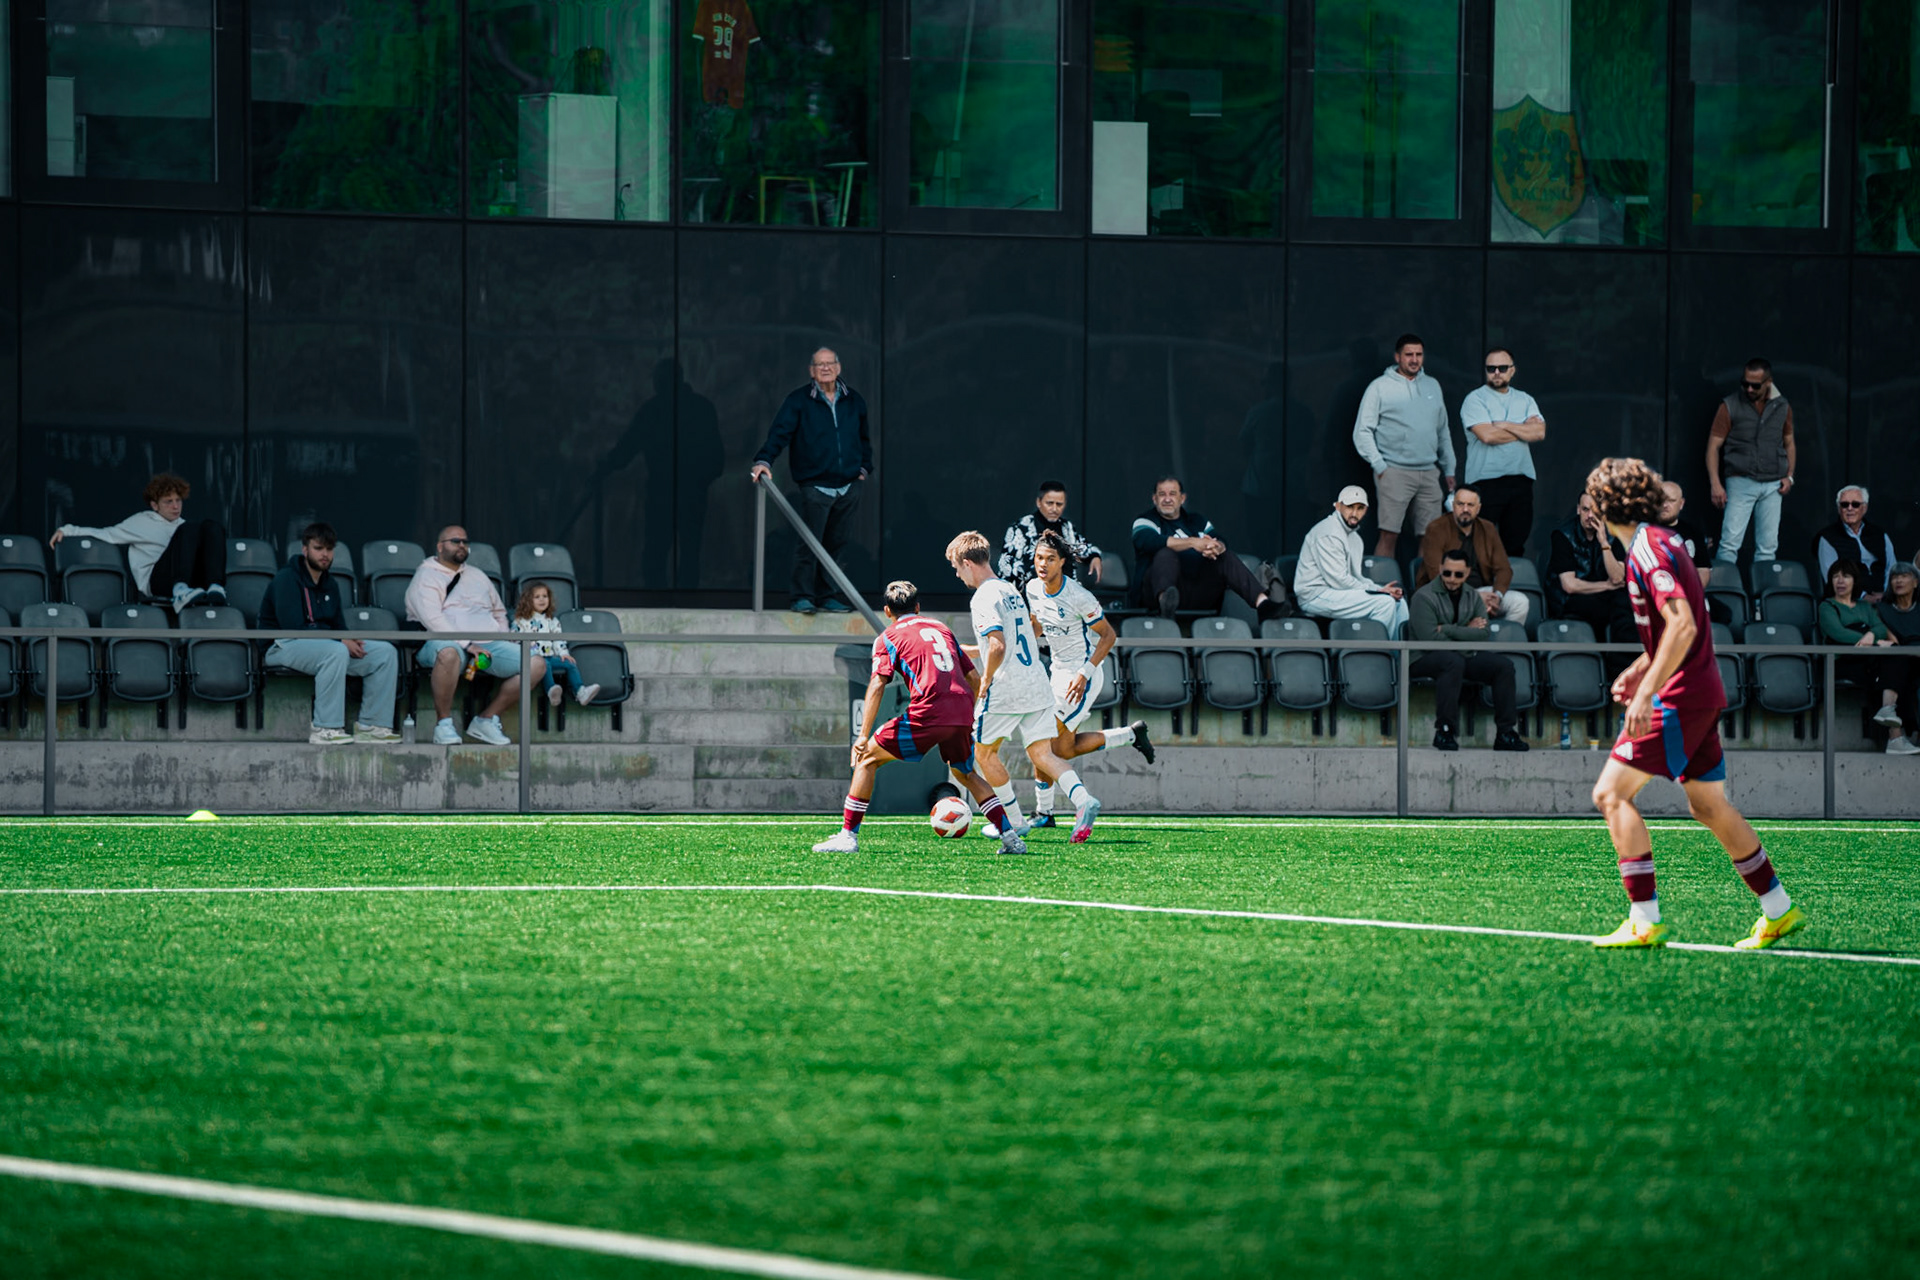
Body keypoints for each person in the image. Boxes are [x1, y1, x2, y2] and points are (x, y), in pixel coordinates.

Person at [1585, 456, 1806, 950]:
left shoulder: (1649, 550)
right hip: (1700, 689)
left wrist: (1646, 692)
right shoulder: (1660, 544)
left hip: (1680, 696)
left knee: (1611, 794)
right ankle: (1779, 910)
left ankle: (1644, 919)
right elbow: (1683, 626)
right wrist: (1641, 668)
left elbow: (1683, 625)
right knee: (1708, 804)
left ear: (1602, 507)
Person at [810, 580, 1027, 856]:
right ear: (918, 607)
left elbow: (878, 684)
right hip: (961, 710)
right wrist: (969, 715)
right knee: (966, 773)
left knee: (867, 759)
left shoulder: (887, 637)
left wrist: (863, 735)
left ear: (887, 611)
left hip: (929, 711)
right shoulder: (941, 628)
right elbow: (973, 677)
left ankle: (848, 836)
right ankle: (1010, 837)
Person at [1026, 532, 1157, 840]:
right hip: (1056, 673)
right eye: (1038, 558)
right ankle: (1130, 734)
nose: (1042, 564)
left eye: (1049, 559)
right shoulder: (1032, 588)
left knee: (1041, 742)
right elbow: (1036, 626)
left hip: (1082, 677)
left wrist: (1084, 673)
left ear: (1062, 563)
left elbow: (1108, 636)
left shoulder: (1078, 596)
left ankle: (1055, 810)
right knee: (1063, 748)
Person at [947, 531, 1068, 834]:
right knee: (1041, 753)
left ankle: (1014, 821)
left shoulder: (982, 597)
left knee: (983, 754)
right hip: (1035, 682)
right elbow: (1018, 639)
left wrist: (985, 678)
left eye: (957, 569)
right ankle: (1080, 800)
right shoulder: (1009, 589)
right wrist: (971, 651)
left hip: (1005, 687)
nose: (958, 576)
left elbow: (999, 646)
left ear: (966, 563)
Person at [749, 347, 872, 615]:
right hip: (815, 485)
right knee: (810, 544)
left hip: (849, 485)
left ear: (839, 367)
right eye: (820, 364)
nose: (825, 368)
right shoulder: (799, 401)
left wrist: (864, 468)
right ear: (811, 371)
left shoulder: (854, 401)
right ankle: (803, 596)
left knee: (836, 544)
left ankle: (828, 596)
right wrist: (764, 461)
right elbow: (779, 434)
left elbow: (864, 438)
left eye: (830, 363)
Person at [258, 522, 400, 745]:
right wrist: (339, 641)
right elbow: (293, 628)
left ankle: (371, 726)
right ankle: (325, 728)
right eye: (318, 548)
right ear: (305, 550)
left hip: (323, 646)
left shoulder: (330, 584)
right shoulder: (286, 579)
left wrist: (349, 640)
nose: (325, 554)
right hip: (281, 645)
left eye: (329, 549)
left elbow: (338, 626)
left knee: (384, 653)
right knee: (335, 651)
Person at [404, 525, 546, 746]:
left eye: (465, 541)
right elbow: (434, 621)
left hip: (488, 643)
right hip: (442, 643)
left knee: (536, 664)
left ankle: (486, 719)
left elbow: (498, 612)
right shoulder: (426, 576)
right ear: (440, 547)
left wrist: (502, 637)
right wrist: (467, 644)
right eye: (455, 541)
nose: (462, 545)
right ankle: (443, 724)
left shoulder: (477, 575)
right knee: (449, 652)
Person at [1407, 549, 1530, 753]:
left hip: (1461, 655)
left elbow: (1483, 633)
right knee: (1452, 661)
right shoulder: (1423, 597)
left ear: (1467, 573)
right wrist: (1466, 630)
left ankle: (1505, 733)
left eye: (1458, 574)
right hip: (1422, 657)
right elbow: (1430, 640)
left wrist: (1446, 628)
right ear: (1440, 570)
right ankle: (1445, 731)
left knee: (1503, 666)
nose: (1452, 579)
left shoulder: (1472, 596)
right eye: (1447, 573)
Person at [49, 472, 227, 613]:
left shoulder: (183, 524)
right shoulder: (142, 522)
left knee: (212, 527)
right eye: (168, 502)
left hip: (191, 582)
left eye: (178, 500)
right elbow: (108, 534)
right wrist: (68, 530)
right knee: (189, 529)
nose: (175, 506)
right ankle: (180, 591)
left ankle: (215, 588)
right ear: (155, 505)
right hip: (158, 583)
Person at [1352, 333, 1456, 558]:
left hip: (1429, 471)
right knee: (1389, 535)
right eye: (1409, 354)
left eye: (1419, 354)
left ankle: (1424, 591)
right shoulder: (1379, 387)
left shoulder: (1432, 386)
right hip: (1394, 470)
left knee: (1430, 536)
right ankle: (1385, 591)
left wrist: (1449, 468)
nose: (1414, 359)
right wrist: (1380, 465)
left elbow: (1443, 431)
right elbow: (1362, 431)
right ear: (1397, 357)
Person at [1129, 476, 1283, 620]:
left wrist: (1216, 548)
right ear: (1154, 499)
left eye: (1173, 494)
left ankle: (1262, 603)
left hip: (1196, 591)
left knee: (1224, 556)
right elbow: (1147, 541)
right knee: (1165, 554)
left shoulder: (1197, 521)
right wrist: (1192, 542)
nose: (1167, 499)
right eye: (1162, 494)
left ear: (1182, 498)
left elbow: (1220, 540)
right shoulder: (1146, 520)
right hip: (1156, 595)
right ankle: (1166, 603)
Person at [1706, 357, 1796, 572]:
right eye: (1745, 383)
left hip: (1773, 482)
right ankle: (1723, 593)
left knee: (1767, 547)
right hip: (1740, 479)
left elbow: (1790, 443)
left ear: (1768, 382)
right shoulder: (1729, 405)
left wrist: (1790, 476)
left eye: (1755, 385)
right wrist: (1715, 484)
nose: (1749, 388)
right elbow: (1712, 447)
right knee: (1729, 543)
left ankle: (1762, 601)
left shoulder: (1782, 406)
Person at [1819, 559, 1915, 755]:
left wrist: (1872, 635)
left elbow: (1879, 627)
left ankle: (1892, 721)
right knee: (1894, 666)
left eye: (1846, 576)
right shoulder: (1827, 606)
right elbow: (1838, 633)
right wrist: (1874, 640)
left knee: (1898, 660)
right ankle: (1896, 736)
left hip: (1868, 659)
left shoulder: (1864, 606)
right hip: (1843, 661)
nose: (1840, 581)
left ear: (1855, 581)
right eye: (1835, 576)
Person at [1458, 348, 1545, 555]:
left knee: (1515, 545)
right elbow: (1487, 436)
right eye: (1491, 368)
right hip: (1485, 482)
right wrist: (1523, 429)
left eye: (1502, 368)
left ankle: (1511, 588)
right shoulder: (1474, 399)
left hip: (1520, 480)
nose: (1496, 372)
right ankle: (1481, 588)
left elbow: (1539, 432)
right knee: (1479, 545)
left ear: (1512, 370)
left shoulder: (1525, 399)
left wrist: (1504, 424)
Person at [1292, 486, 1409, 632]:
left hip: (1338, 592)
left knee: (1399, 603)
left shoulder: (1355, 538)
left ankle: (1397, 655)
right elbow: (1338, 580)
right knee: (1384, 603)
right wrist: (1378, 592)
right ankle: (1376, 653)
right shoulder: (1329, 532)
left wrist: (1380, 589)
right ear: (1338, 506)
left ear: (1366, 510)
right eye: (1349, 507)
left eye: (1360, 508)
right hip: (1315, 595)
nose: (1354, 513)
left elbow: (1355, 578)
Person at [1413, 484, 1530, 629]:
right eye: (1460, 504)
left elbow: (1504, 569)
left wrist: (1497, 597)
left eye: (1470, 505)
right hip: (1445, 593)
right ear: (1453, 505)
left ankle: (1502, 645)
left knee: (1520, 602)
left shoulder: (1487, 528)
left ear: (1478, 508)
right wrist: (1472, 596)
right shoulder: (1436, 527)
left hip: (1483, 593)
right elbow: (1436, 573)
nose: (1465, 510)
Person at [1546, 493, 1633, 642]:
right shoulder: (1563, 536)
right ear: (1578, 509)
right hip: (1568, 599)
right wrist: (1606, 585)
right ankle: (1602, 659)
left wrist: (1604, 543)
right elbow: (1569, 586)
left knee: (1627, 604)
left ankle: (1622, 659)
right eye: (1586, 509)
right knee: (1599, 608)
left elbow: (1618, 578)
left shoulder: (1612, 536)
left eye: (1595, 510)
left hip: (1601, 595)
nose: (1590, 516)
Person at [998, 480, 1103, 596]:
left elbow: (1083, 547)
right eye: (1050, 503)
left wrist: (1095, 557)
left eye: (1059, 504)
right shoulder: (1021, 528)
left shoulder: (1066, 527)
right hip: (1029, 597)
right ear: (1039, 502)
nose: (1054, 509)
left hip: (1066, 596)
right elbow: (1005, 566)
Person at [511, 581, 601, 708]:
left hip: (550, 656)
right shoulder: (520, 621)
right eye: (537, 597)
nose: (542, 600)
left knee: (570, 663)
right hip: (532, 659)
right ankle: (551, 690)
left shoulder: (552, 621)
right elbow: (514, 640)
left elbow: (558, 639)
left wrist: (564, 653)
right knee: (544, 664)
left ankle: (581, 692)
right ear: (528, 600)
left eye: (545, 596)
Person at [1812, 485, 1897, 602]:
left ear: (1864, 508)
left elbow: (1892, 568)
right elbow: (1831, 579)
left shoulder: (1880, 535)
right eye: (1844, 504)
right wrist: (1863, 597)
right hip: (1849, 603)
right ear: (1838, 509)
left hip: (1883, 601)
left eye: (1855, 504)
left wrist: (1887, 595)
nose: (1850, 508)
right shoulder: (1827, 538)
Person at [1878, 562, 1920, 747]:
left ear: (1916, 582)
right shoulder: (1883, 610)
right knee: (1897, 660)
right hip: (1902, 658)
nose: (1899, 580)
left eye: (1904, 576)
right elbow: (1892, 641)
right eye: (1895, 577)